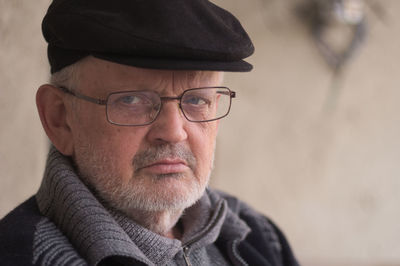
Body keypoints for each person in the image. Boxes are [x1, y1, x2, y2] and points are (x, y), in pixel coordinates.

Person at [0, 0, 299, 265]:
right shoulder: (21, 254)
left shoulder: (257, 235)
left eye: (196, 100)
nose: (173, 132)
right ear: (60, 119)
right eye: (132, 100)